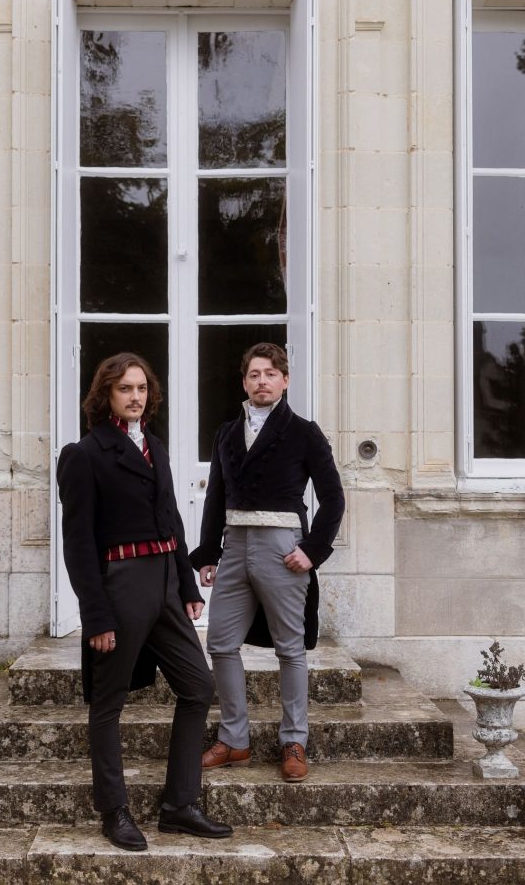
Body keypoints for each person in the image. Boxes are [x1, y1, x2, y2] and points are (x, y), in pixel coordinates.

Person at [57, 352, 232, 851]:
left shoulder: (155, 445)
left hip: (165, 585)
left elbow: (171, 518)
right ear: (105, 395)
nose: (135, 396)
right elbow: (78, 544)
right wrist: (95, 614)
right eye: (124, 389)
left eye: (141, 388)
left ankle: (179, 805)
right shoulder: (85, 454)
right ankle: (114, 811)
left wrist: (187, 586)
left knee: (198, 686)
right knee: (108, 702)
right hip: (121, 585)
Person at [190, 342, 345, 783]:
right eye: (254, 374)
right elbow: (215, 497)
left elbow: (333, 498)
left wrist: (312, 550)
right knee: (221, 643)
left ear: (285, 380)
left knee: (290, 649)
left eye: (270, 374)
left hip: (283, 547)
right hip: (234, 544)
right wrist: (207, 552)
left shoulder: (304, 432)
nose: (262, 381)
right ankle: (234, 738)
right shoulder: (226, 433)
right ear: (244, 382)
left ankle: (294, 741)